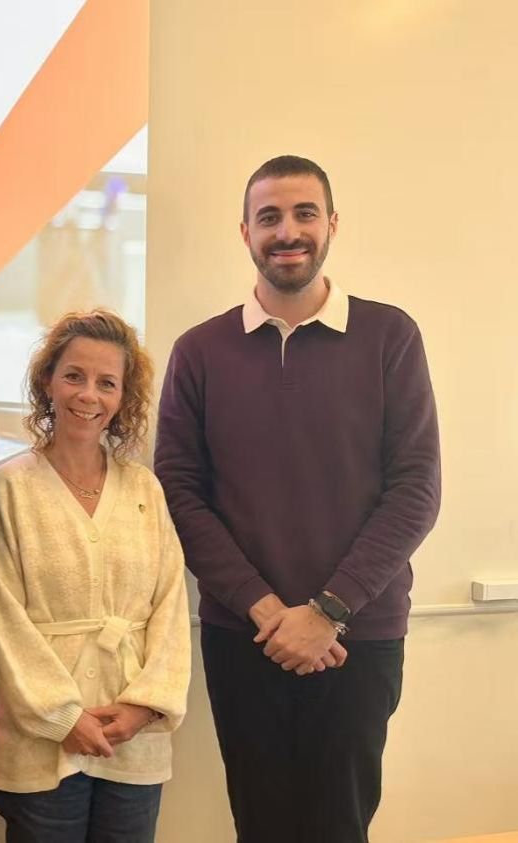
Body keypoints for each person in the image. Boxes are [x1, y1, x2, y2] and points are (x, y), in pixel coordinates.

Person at [154, 155, 441, 843]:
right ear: (245, 232)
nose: (288, 231)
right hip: (244, 636)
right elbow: (181, 495)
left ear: (332, 223)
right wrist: (268, 612)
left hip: (358, 636)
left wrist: (326, 613)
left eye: (304, 213)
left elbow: (416, 489)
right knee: (260, 824)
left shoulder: (390, 336)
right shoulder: (199, 351)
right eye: (270, 217)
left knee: (340, 825)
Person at [0, 309, 190, 843]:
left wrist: (145, 705)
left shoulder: (144, 489)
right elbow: (1, 619)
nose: (88, 395)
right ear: (48, 381)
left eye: (106, 383)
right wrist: (62, 717)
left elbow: (170, 605)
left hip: (133, 739)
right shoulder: (8, 489)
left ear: (123, 398)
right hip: (41, 744)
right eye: (74, 376)